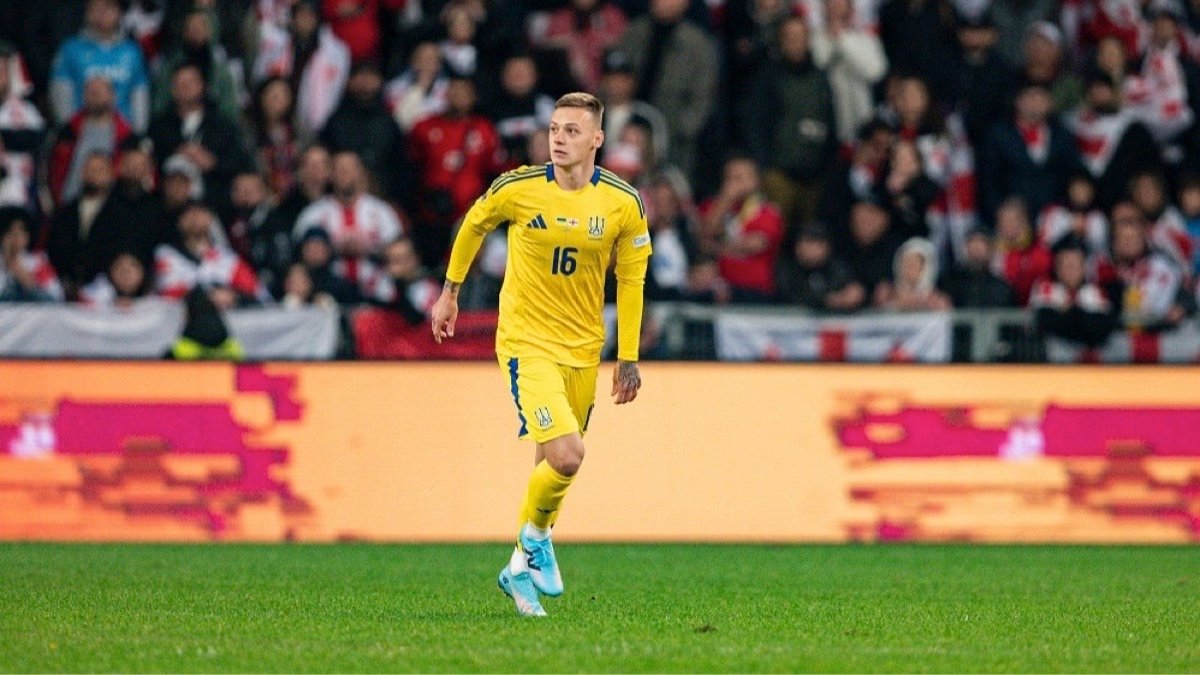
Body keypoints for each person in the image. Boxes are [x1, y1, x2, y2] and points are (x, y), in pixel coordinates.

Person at [430, 92, 650, 618]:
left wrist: (628, 355)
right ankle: (536, 540)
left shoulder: (622, 202)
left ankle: (518, 570)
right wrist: (450, 291)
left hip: (583, 349)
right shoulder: (519, 187)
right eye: (554, 129)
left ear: (597, 139)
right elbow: (474, 223)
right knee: (569, 455)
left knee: (550, 467)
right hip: (527, 343)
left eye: (572, 131)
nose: (559, 139)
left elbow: (632, 278)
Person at [50, 0, 150, 132]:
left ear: (119, 12)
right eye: (95, 7)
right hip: (81, 133)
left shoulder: (132, 51)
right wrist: (70, 133)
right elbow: (61, 95)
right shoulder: (70, 49)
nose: (101, 13)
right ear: (87, 12)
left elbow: (139, 96)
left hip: (123, 135)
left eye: (108, 7)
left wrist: (137, 135)